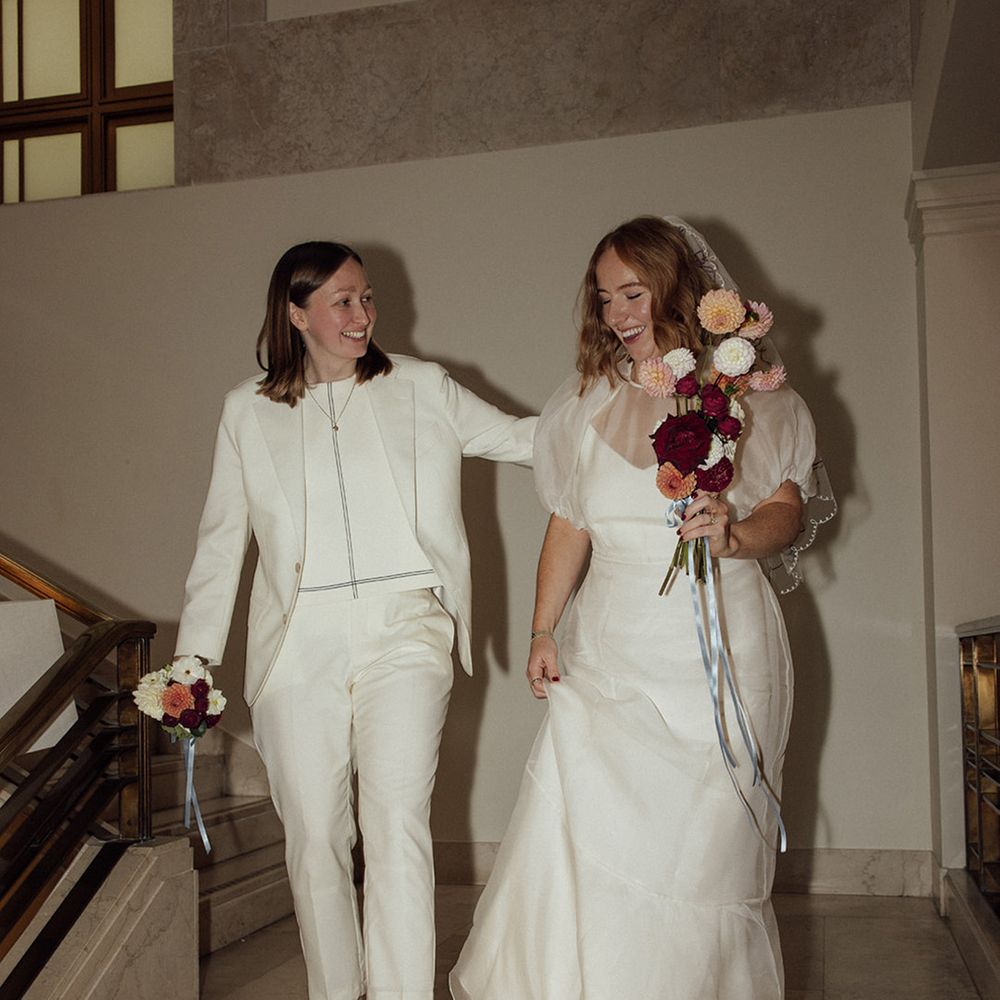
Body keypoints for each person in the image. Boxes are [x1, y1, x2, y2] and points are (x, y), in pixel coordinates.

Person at [450, 216, 834, 999]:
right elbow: (568, 522)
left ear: (676, 289)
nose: (619, 312)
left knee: (704, 855)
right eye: (604, 297)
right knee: (586, 839)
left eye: (633, 291)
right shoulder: (583, 403)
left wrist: (734, 537)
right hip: (608, 653)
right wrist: (542, 629)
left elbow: (787, 512)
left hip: (721, 649)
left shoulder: (750, 397)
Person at [173, 240, 535, 1000]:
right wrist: (194, 661)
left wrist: (634, 407)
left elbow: (525, 438)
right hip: (297, 644)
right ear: (296, 313)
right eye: (343, 300)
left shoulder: (423, 387)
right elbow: (219, 543)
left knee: (397, 822)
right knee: (314, 841)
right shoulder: (247, 411)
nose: (363, 314)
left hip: (406, 629)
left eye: (367, 297)